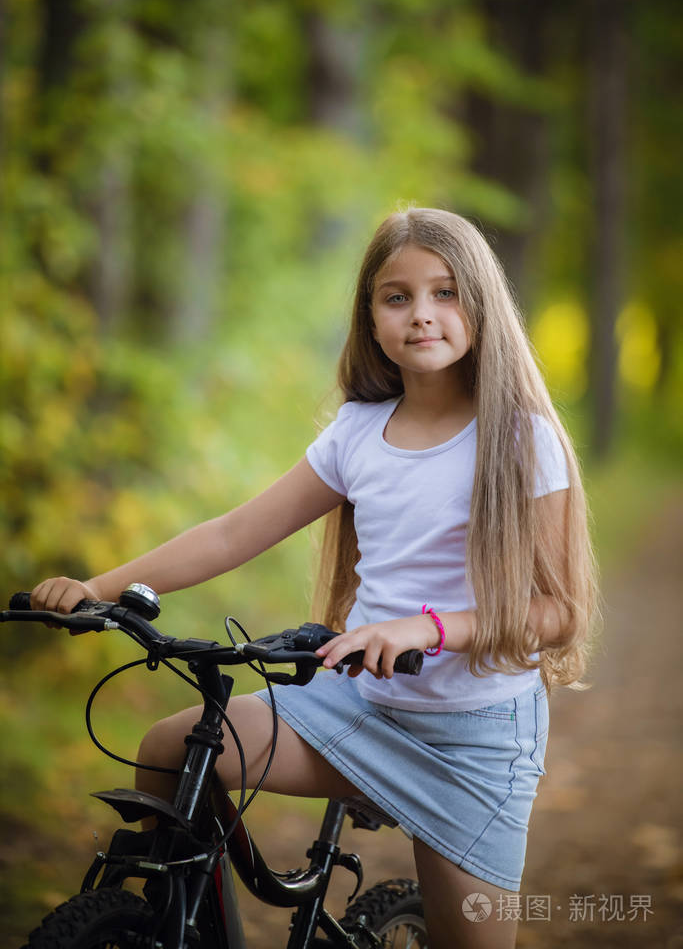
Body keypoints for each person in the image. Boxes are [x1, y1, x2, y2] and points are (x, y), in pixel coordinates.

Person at [30, 207, 598, 949]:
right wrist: (98, 586)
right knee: (170, 748)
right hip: (352, 705)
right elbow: (233, 532)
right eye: (396, 297)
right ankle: (181, 929)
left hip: (474, 736)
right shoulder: (358, 433)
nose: (420, 315)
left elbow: (557, 612)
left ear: (481, 305)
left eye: (444, 293)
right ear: (370, 316)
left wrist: (424, 629)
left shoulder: (522, 440)